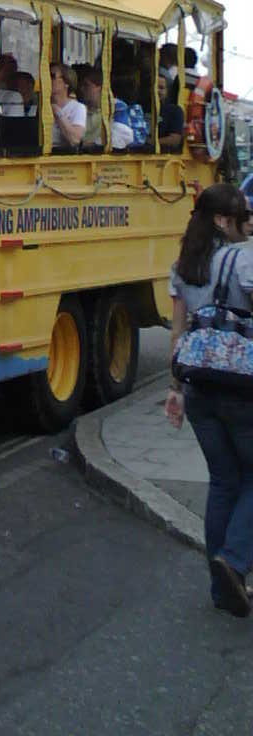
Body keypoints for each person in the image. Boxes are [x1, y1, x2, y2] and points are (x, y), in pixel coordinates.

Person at [165, 184, 253, 616]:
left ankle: (223, 591)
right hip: (242, 389)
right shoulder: (242, 259)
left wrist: (175, 389)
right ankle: (234, 562)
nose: (249, 222)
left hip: (198, 387)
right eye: (244, 215)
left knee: (223, 482)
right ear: (223, 221)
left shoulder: (184, 265)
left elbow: (177, 333)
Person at [49, 62, 86, 148]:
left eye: (52, 76)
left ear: (66, 82)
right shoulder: (42, 106)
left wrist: (58, 112)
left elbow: (75, 139)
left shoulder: (78, 108)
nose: (48, 79)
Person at [157, 70, 185, 151]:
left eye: (161, 88)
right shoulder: (141, 108)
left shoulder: (175, 111)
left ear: (166, 91)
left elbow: (175, 140)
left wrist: (152, 142)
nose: (158, 91)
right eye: (155, 87)